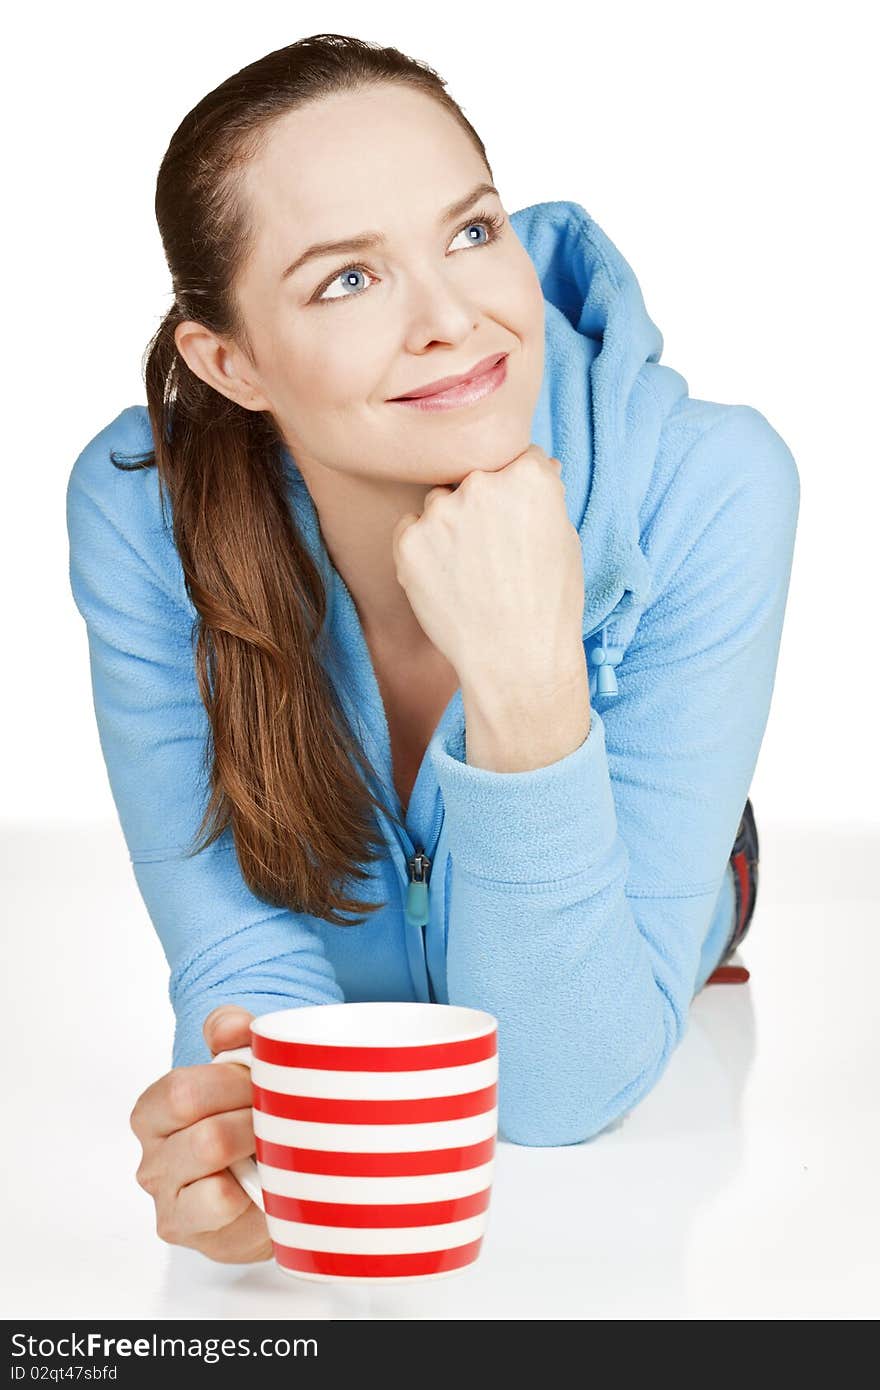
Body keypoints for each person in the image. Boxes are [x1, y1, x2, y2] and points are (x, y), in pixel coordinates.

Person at [66, 33, 799, 1266]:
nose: (455, 319)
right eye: (346, 280)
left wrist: (526, 690)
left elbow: (561, 1092)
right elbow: (239, 949)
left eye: (470, 233)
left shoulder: (708, 483)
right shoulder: (139, 504)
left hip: (634, 846)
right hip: (362, 876)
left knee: (636, 936)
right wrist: (263, 1136)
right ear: (228, 360)